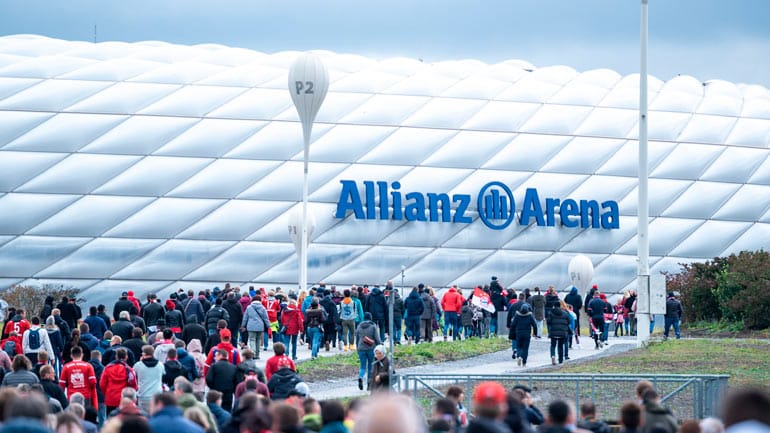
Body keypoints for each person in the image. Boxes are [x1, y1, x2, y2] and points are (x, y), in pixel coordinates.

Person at [100, 348, 137, 413]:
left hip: (110, 398)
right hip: (124, 399)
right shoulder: (129, 370)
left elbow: (102, 384)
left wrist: (107, 393)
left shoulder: (108, 368)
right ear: (126, 357)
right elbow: (133, 385)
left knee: (110, 420)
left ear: (116, 356)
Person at [134, 345, 164, 414]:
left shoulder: (138, 365)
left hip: (143, 395)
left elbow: (134, 374)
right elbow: (163, 374)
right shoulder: (160, 365)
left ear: (144, 354)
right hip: (157, 395)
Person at [355, 312, 380, 391]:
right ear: (370, 318)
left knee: (362, 366)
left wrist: (357, 348)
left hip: (361, 349)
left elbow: (357, 339)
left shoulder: (359, 326)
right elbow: (377, 338)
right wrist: (380, 345)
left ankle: (360, 377)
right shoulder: (373, 326)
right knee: (370, 366)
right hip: (370, 349)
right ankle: (369, 383)